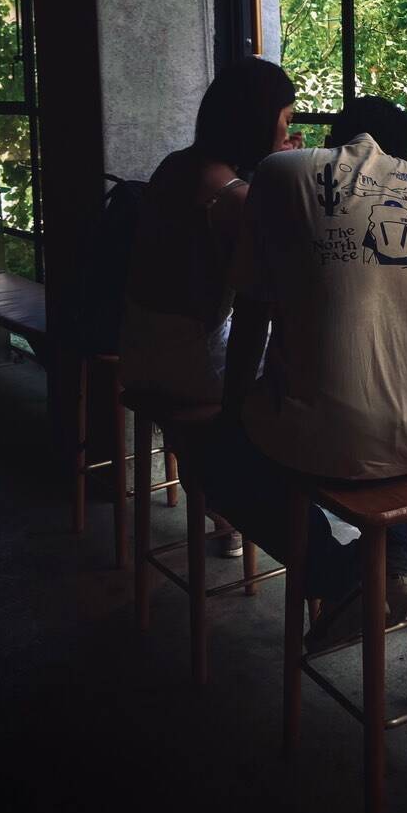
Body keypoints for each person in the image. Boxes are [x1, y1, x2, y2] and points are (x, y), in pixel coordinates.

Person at [195, 95, 407, 636]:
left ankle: (340, 575)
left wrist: (232, 413)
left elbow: (251, 314)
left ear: (333, 142)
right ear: (405, 157)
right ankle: (393, 561)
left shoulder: (280, 173)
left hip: (330, 438)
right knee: (373, 431)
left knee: (217, 461)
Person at [119, 56, 298, 554]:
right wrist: (283, 171)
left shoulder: (173, 166)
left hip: (137, 348)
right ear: (259, 122)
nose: (290, 132)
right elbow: (266, 295)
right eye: (286, 120)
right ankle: (242, 496)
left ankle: (216, 489)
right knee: (298, 368)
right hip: (188, 366)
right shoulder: (233, 197)